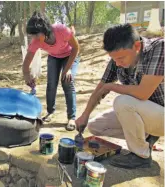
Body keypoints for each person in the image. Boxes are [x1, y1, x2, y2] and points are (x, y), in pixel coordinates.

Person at [75, 23, 164, 169]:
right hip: (141, 113)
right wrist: (84, 115)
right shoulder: (117, 58)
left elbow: (143, 93)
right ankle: (146, 138)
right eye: (114, 59)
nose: (117, 63)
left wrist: (111, 86)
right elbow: (99, 89)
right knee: (95, 126)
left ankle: (141, 156)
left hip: (161, 116)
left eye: (121, 58)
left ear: (136, 46)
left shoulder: (159, 48)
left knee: (122, 102)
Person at [23, 11, 80, 131]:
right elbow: (26, 62)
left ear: (45, 30)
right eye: (32, 36)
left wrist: (67, 69)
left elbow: (76, 47)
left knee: (67, 81)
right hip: (54, 57)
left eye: (36, 35)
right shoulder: (36, 41)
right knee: (51, 84)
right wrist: (27, 75)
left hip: (70, 55)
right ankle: (50, 112)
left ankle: (71, 117)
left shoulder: (61, 30)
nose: (34, 38)